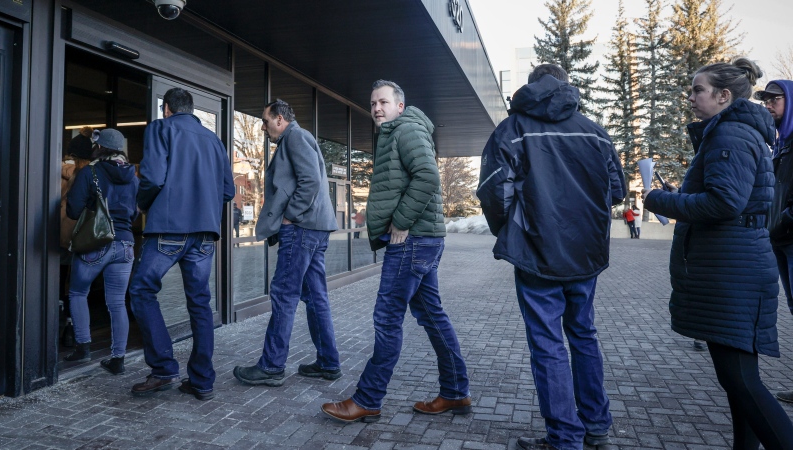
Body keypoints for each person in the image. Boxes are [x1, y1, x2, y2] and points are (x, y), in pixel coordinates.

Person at [642, 58, 793, 449]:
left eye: (697, 89)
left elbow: (725, 202)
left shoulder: (729, 135)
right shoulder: (734, 133)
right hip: (734, 265)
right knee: (739, 382)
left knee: (741, 381)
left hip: (733, 272)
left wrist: (664, 199)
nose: (691, 96)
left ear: (723, 96)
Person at [477, 64, 624, 450]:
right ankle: (596, 426)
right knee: (583, 335)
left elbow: (494, 192)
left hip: (538, 252)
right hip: (585, 254)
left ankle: (564, 437)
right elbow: (617, 190)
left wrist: (511, 229)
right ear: (567, 86)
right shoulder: (595, 131)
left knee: (548, 343)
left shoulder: (512, 130)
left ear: (532, 87)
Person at [321, 80, 471, 423]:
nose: (376, 108)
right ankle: (455, 392)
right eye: (372, 102)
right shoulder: (397, 132)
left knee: (387, 319)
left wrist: (401, 221)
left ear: (399, 106)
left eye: (383, 102)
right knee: (433, 317)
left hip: (411, 241)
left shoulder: (405, 131)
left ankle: (367, 399)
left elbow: (428, 177)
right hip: (424, 240)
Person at [129, 88, 235, 401]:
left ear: (167, 109)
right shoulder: (214, 141)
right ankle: (202, 381)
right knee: (200, 303)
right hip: (204, 233)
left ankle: (163, 369)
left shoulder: (161, 129)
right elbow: (227, 190)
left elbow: (153, 178)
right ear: (191, 109)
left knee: (141, 289)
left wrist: (143, 205)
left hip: (168, 228)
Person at [232, 99, 340, 386]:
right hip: (313, 229)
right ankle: (328, 363)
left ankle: (271, 366)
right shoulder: (296, 139)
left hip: (302, 230)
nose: (264, 127)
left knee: (284, 294)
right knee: (315, 298)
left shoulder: (296, 137)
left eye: (266, 121)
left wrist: (291, 216)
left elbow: (311, 182)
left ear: (280, 119)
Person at [64, 129, 139, 374]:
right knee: (117, 303)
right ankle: (118, 358)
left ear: (100, 147)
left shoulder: (90, 172)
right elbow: (135, 213)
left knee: (77, 292)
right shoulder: (133, 177)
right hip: (125, 244)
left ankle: (83, 347)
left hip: (97, 243)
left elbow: (73, 210)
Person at [757, 79, 793, 404]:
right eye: (765, 100)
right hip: (780, 239)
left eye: (774, 100)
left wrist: (783, 223)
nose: (768, 105)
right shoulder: (781, 146)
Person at [59, 128, 95, 348]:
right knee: (79, 286)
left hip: (60, 235)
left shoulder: (58, 170)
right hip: (85, 236)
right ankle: (73, 328)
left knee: (59, 278)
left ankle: (58, 320)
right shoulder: (91, 174)